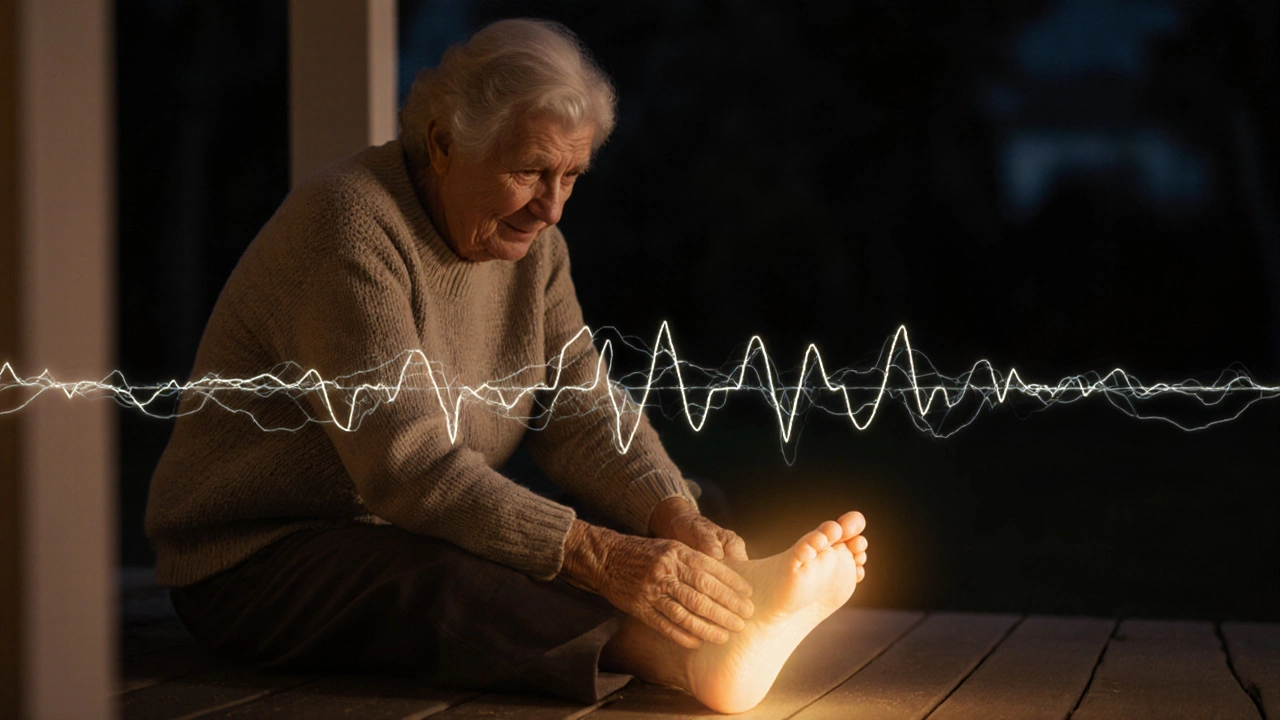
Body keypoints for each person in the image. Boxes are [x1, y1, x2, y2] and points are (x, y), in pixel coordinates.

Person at [145, 18, 868, 714]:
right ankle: (689, 654)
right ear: (442, 143)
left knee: (682, 500)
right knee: (449, 578)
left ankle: (729, 607)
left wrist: (673, 516)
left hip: (400, 522)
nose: (551, 209)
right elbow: (412, 472)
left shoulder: (535, 252)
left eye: (571, 176)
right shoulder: (349, 228)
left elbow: (585, 411)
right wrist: (603, 557)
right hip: (261, 556)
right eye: (530, 171)